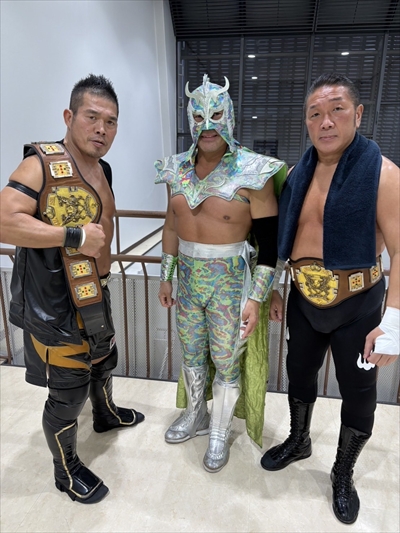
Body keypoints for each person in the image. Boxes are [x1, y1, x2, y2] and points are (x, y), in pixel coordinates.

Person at [261, 73, 399, 524]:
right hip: (303, 298)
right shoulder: (295, 175)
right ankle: (299, 440)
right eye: (315, 113)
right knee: (298, 375)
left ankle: (343, 471)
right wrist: (277, 288)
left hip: (358, 304)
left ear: (357, 114)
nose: (325, 121)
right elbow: (285, 239)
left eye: (337, 109)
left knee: (359, 392)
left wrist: (394, 323)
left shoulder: (383, 174)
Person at [0, 74, 145, 504]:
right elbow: (4, 221)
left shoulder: (103, 168)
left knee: (104, 358)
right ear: (69, 116)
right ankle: (65, 471)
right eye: (92, 117)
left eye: (111, 122)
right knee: (67, 392)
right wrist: (73, 236)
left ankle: (105, 414)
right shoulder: (41, 165)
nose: (102, 129)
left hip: (96, 290)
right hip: (57, 301)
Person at [155, 74, 287, 473]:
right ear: (189, 119)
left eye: (216, 115)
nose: (207, 126)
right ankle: (196, 413)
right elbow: (172, 225)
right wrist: (165, 275)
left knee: (226, 359)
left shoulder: (253, 171)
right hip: (187, 281)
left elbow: (270, 245)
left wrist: (256, 297)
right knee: (192, 352)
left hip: (231, 282)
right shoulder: (176, 169)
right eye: (199, 117)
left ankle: (219, 429)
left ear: (229, 115)